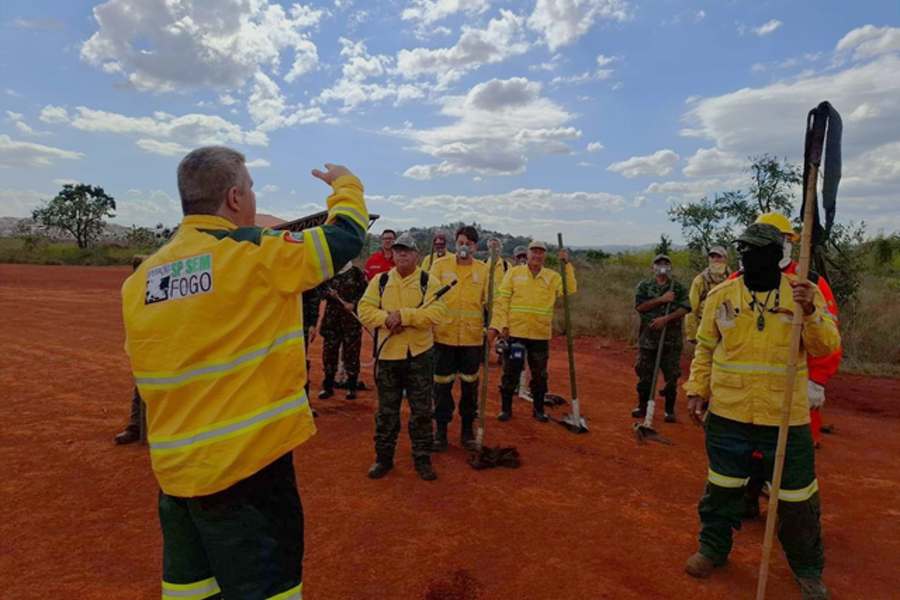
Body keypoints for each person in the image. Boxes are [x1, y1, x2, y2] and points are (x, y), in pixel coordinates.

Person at [121, 148, 367, 599]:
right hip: (247, 469)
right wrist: (347, 186)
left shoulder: (144, 280)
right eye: (251, 188)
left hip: (176, 474)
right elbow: (345, 240)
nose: (253, 197)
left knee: (191, 591)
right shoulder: (252, 253)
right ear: (235, 197)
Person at [683, 223, 840, 600]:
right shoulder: (722, 295)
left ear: (777, 254)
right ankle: (713, 549)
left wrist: (811, 312)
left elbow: (825, 347)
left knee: (798, 499)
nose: (750, 257)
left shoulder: (803, 294)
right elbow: (705, 349)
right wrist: (696, 391)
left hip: (785, 417)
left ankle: (807, 570)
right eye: (745, 250)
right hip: (729, 414)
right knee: (721, 489)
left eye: (758, 250)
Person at [358, 233, 447, 481]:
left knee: (421, 411)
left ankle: (422, 459)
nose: (402, 254)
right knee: (387, 412)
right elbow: (364, 309)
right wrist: (386, 319)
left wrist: (404, 316)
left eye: (406, 250)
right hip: (388, 356)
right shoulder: (381, 280)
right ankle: (383, 458)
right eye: (398, 251)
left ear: (416, 254)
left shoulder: (429, 281)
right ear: (393, 254)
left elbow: (437, 313)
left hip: (419, 356)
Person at [754, 212, 842, 448]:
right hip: (750, 391)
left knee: (794, 456)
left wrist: (818, 380)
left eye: (778, 238)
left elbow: (828, 335)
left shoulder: (810, 283)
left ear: (788, 243)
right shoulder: (737, 280)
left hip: (796, 388)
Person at [489, 240, 576, 422]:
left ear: (544, 255)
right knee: (511, 372)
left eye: (541, 252)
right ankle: (506, 409)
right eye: (534, 252)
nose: (537, 255)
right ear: (527, 254)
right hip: (516, 334)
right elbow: (502, 300)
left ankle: (538, 410)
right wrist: (502, 324)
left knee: (539, 375)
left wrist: (566, 264)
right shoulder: (513, 273)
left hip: (539, 335)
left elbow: (570, 289)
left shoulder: (552, 277)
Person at [429, 226, 489, 452]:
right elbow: (430, 299)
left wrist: (494, 327)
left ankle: (466, 431)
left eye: (470, 243)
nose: (465, 247)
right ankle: (441, 431)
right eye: (461, 242)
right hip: (443, 337)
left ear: (475, 247)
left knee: (470, 386)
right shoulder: (440, 266)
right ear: (455, 243)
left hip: (472, 340)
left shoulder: (483, 271)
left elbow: (491, 302)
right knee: (441, 386)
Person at [633, 254, 691, 422]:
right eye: (659, 264)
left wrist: (665, 319)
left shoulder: (678, 287)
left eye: (666, 264)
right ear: (653, 267)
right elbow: (640, 307)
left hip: (670, 340)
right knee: (645, 375)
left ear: (670, 267)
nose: (662, 266)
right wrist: (662, 299)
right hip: (648, 339)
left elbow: (686, 308)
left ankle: (669, 410)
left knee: (672, 376)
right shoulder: (644, 286)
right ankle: (642, 406)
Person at [315, 261, 368, 400]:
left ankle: (351, 387)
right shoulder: (329, 273)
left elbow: (366, 294)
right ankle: (328, 386)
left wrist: (354, 304)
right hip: (332, 322)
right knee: (329, 353)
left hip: (351, 321)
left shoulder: (357, 273)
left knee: (351, 353)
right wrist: (329, 293)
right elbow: (318, 291)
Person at [114, 254, 149, 445]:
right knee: (141, 388)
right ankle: (135, 426)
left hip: (162, 344)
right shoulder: (133, 289)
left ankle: (139, 427)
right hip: (144, 344)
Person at [685, 246, 730, 344]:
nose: (715, 259)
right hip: (705, 327)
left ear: (725, 259)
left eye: (719, 256)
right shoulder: (700, 280)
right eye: (712, 257)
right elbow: (691, 308)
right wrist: (692, 334)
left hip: (727, 327)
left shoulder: (733, 279)